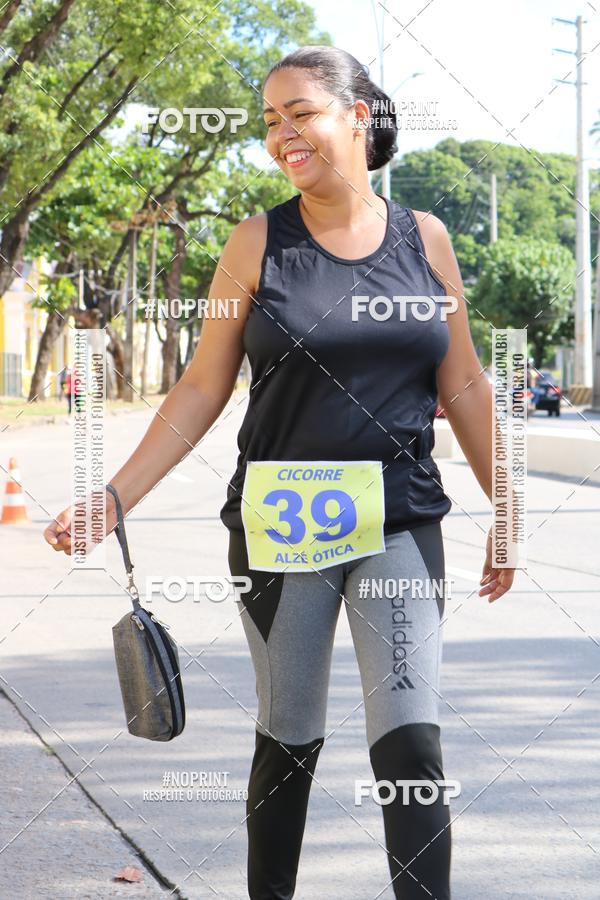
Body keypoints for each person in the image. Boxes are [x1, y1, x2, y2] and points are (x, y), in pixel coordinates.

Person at [44, 45, 515, 900]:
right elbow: (198, 388)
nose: (281, 135)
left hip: (400, 520)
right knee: (289, 737)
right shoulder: (257, 242)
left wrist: (507, 514)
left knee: (412, 742)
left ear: (359, 117)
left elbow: (467, 385)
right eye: (269, 121)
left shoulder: (427, 241)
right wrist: (114, 496)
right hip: (280, 526)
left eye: (300, 113)